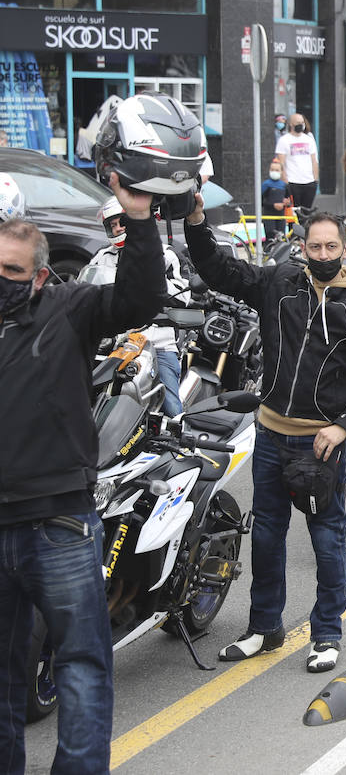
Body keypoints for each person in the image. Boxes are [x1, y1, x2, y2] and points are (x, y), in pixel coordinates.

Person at [186, 200, 346, 675]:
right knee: (265, 534)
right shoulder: (279, 281)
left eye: (332, 245)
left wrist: (343, 426)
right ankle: (264, 627)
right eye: (314, 245)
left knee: (327, 540)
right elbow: (218, 269)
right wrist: (197, 222)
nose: (323, 253)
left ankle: (327, 634)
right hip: (270, 433)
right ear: (302, 248)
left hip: (322, 445)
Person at [0, 173, 161, 774]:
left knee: (82, 666)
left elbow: (140, 299)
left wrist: (138, 220)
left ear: (40, 276)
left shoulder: (69, 310)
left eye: (13, 272)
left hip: (59, 524)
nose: (3, 281)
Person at [90, 198, 191, 414]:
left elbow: (183, 297)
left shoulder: (165, 254)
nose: (117, 229)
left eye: (121, 222)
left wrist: (150, 281)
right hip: (113, 340)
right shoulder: (102, 256)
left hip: (156, 340)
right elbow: (86, 287)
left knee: (171, 407)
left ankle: (181, 437)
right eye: (112, 225)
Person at [272, 113, 319, 209]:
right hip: (292, 182)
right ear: (291, 124)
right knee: (293, 212)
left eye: (302, 122)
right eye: (298, 123)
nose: (301, 125)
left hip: (309, 182)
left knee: (306, 212)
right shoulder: (284, 140)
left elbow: (314, 160)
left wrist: (315, 180)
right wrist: (285, 182)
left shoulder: (309, 140)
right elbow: (281, 163)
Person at [262, 161, 289, 240]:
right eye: (272, 170)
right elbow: (261, 202)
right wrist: (273, 205)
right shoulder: (265, 184)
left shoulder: (284, 185)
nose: (274, 172)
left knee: (281, 237)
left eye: (277, 170)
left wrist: (286, 203)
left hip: (280, 216)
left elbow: (288, 201)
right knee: (270, 237)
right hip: (269, 215)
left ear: (281, 172)